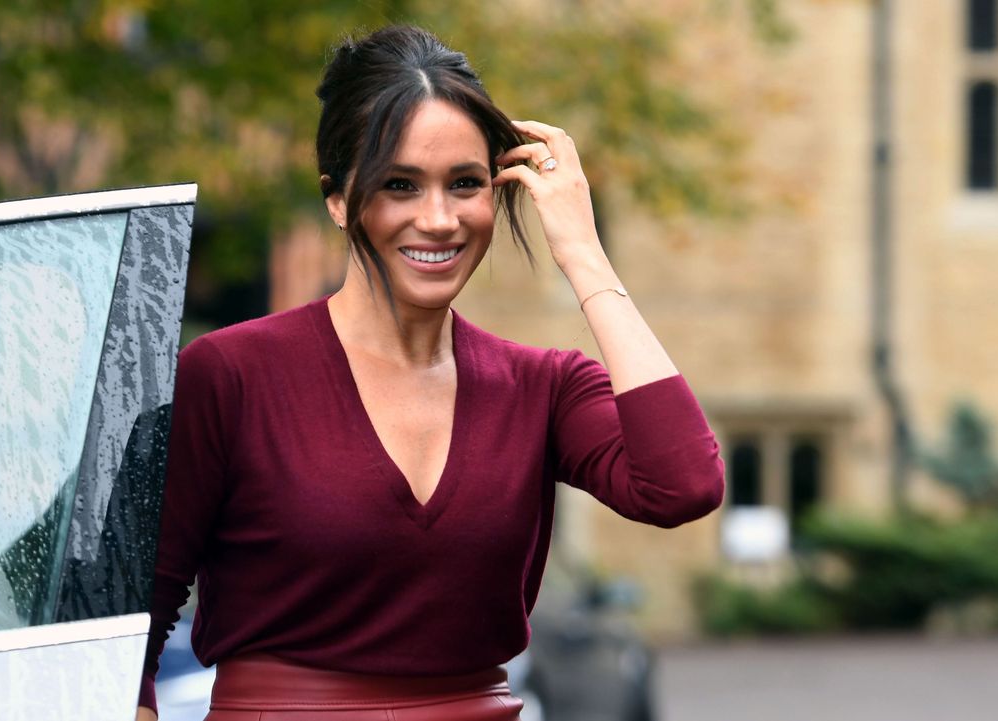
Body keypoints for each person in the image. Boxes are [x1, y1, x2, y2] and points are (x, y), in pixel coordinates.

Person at [136, 24, 724, 721]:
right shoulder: (228, 375)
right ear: (336, 197)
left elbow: (683, 484)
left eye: (465, 184)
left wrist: (582, 252)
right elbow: (133, 615)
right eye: (400, 185)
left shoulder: (544, 387)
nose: (439, 218)